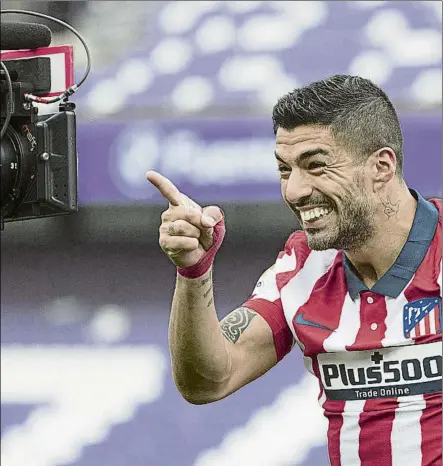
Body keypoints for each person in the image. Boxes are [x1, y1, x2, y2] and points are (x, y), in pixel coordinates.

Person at [146, 75, 442, 466]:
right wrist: (195, 270)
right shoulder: (303, 265)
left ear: (381, 166)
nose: (294, 191)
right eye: (285, 170)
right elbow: (207, 382)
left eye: (315, 166)